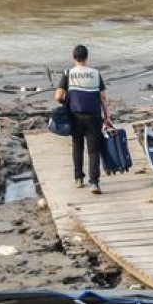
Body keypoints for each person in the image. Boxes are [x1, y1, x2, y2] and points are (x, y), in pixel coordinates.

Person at [54, 44, 112, 195]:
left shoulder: (68, 73)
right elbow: (103, 98)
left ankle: (78, 179)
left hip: (75, 116)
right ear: (86, 57)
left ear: (73, 57)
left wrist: (68, 99)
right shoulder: (95, 74)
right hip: (93, 117)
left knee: (77, 146)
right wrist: (107, 117)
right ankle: (95, 183)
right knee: (94, 150)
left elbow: (58, 96)